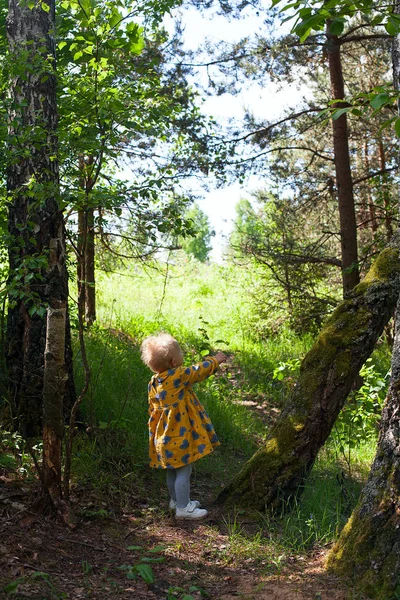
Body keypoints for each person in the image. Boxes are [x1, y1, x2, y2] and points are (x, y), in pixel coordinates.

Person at [140, 332, 227, 520]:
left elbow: (153, 409)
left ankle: (176, 500)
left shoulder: (154, 382)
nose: (183, 357)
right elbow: (197, 371)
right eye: (180, 353)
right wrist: (215, 360)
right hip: (179, 435)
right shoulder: (178, 376)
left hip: (162, 437)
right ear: (173, 362)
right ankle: (183, 508)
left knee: (172, 469)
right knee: (184, 470)